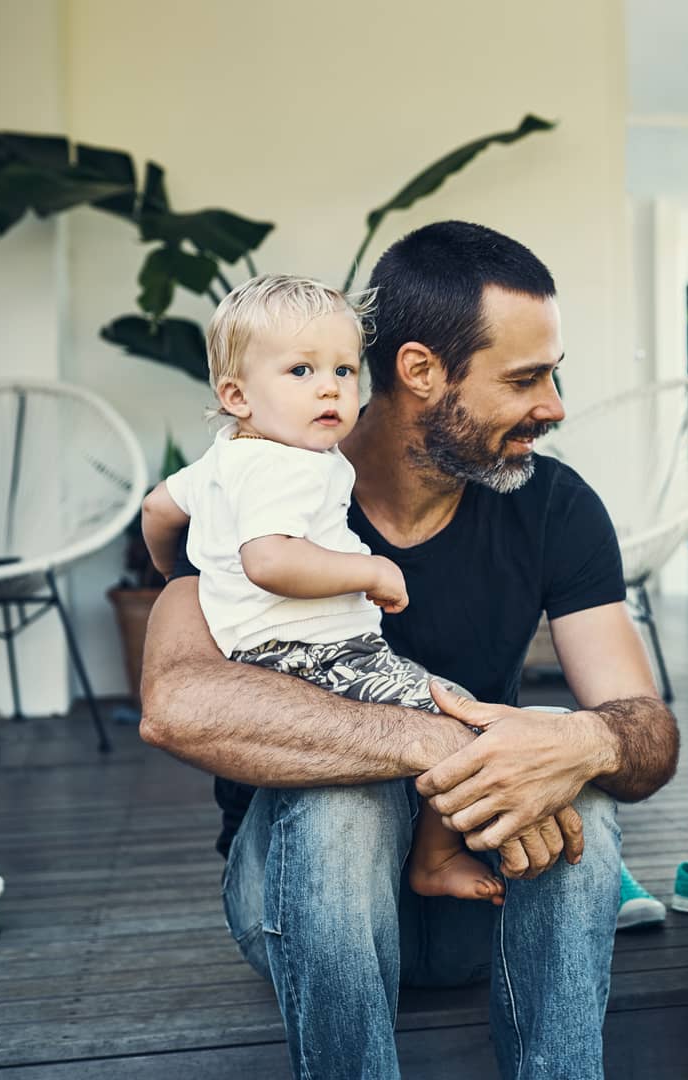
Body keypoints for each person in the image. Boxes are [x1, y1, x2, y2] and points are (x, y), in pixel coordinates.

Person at [138, 221, 679, 1079]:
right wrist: (440, 742)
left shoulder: (554, 506)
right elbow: (178, 704)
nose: (555, 406)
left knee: (582, 786)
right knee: (345, 799)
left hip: (485, 896)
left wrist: (579, 743)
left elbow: (646, 730)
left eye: (554, 375)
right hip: (299, 902)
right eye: (527, 378)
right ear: (423, 371)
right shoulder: (261, 478)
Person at [141, 273, 502, 905]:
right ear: (237, 393)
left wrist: (181, 572)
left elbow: (155, 511)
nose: (331, 386)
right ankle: (436, 858)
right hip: (319, 654)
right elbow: (270, 562)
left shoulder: (226, 457)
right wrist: (373, 572)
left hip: (261, 659)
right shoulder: (289, 466)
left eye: (344, 368)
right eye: (301, 371)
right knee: (462, 717)